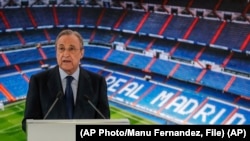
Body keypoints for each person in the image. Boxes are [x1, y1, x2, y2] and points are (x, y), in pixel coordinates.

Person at [22, 29, 110, 132]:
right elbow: (28, 123)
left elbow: (104, 122)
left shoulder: (98, 82)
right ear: (56, 52)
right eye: (61, 49)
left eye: (71, 49)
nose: (66, 54)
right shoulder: (38, 81)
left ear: (81, 53)